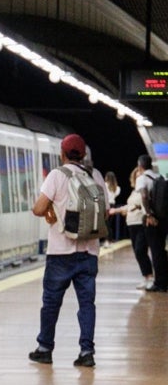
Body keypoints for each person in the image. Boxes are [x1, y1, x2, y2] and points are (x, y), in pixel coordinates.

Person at [28, 134, 106, 367]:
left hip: (60, 253)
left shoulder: (57, 175)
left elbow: (39, 208)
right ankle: (86, 352)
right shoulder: (97, 176)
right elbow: (105, 211)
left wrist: (51, 210)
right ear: (83, 154)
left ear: (62, 154)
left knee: (51, 302)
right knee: (87, 304)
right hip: (89, 252)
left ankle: (45, 348)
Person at [137, 154, 168, 292]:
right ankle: (164, 280)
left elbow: (144, 196)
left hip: (151, 219)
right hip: (163, 217)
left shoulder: (142, 178)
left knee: (155, 251)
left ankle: (160, 283)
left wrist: (149, 214)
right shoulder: (158, 177)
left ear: (140, 165)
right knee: (161, 250)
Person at [124, 160, 154, 290]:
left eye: (139, 175)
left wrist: (138, 208)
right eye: (135, 176)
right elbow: (129, 206)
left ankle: (150, 276)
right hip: (131, 224)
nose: (138, 178)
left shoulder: (144, 190)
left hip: (140, 223)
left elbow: (145, 203)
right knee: (138, 252)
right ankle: (146, 277)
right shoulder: (133, 192)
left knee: (140, 250)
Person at [103, 171, 123, 241]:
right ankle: (109, 239)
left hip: (106, 205)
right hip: (113, 205)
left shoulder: (104, 185)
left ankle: (108, 239)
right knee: (109, 223)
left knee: (106, 223)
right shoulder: (117, 188)